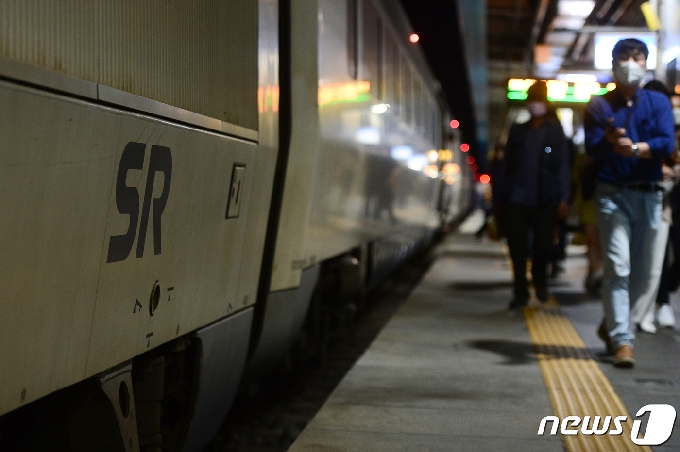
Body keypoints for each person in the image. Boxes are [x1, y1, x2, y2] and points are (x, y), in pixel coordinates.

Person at [584, 38, 675, 367]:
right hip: (612, 195)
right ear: (613, 63)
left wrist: (637, 149)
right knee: (618, 267)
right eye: (624, 56)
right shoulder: (599, 105)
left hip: (649, 194)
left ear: (646, 62)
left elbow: (665, 141)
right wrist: (609, 144)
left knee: (643, 273)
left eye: (637, 56)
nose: (630, 61)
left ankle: (613, 321)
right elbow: (592, 150)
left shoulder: (658, 101)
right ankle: (624, 339)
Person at [501, 81, 570, 309]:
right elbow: (505, 165)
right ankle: (520, 291)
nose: (535, 104)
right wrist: (500, 194)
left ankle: (540, 283)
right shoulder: (517, 131)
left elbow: (563, 165)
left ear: (546, 102)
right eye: (532, 99)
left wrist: (564, 197)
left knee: (542, 247)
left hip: (546, 200)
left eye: (539, 99)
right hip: (516, 200)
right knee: (517, 248)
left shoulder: (555, 132)